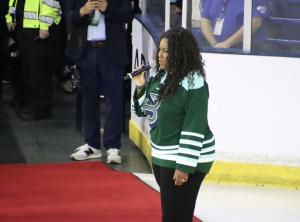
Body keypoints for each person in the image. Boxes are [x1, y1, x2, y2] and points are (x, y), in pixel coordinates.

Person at [132, 27, 215, 222]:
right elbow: (144, 111)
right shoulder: (161, 75)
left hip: (185, 159)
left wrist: (184, 165)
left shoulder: (194, 81)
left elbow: (194, 124)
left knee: (175, 217)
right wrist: (140, 87)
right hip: (162, 155)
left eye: (165, 51)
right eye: (159, 49)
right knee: (173, 213)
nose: (159, 55)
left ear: (179, 53)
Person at [65, 0, 133, 163]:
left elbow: (128, 15)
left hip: (111, 53)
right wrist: (82, 11)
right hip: (86, 51)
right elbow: (68, 17)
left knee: (114, 100)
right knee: (89, 100)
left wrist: (107, 8)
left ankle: (113, 146)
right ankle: (92, 144)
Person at [5, 0, 63, 120]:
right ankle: (31, 103)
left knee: (39, 71)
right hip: (24, 26)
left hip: (40, 29)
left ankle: (41, 109)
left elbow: (50, 2)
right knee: (28, 69)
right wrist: (10, 17)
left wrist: (44, 25)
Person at [200, 0, 268, 49]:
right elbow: (205, 20)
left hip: (245, 52)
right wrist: (215, 44)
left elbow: (255, 23)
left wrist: (227, 44)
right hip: (215, 50)